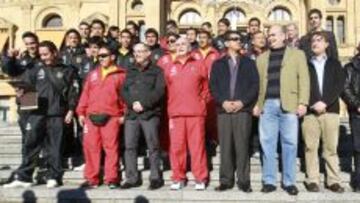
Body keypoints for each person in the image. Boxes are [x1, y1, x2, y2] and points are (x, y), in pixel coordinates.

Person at [3, 41, 79, 189]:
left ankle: (53, 176)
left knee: (55, 147)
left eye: (46, 54)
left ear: (55, 52)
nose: (43, 57)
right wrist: (10, 59)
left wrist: (71, 110)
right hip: (36, 113)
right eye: (41, 54)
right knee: (31, 144)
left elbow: (73, 92)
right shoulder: (34, 68)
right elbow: (13, 72)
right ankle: (25, 176)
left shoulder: (68, 70)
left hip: (57, 113)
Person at [253, 25, 310, 196]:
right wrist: (257, 103)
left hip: (290, 104)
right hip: (267, 105)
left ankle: (289, 181)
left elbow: (304, 80)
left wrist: (303, 102)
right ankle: (269, 181)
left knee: (290, 144)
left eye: (274, 35)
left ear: (284, 36)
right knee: (267, 144)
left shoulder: (298, 54)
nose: (270, 38)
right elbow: (257, 84)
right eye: (269, 35)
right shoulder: (261, 58)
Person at [210, 31, 259, 192]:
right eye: (235, 39)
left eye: (240, 39)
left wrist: (242, 102)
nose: (239, 41)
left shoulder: (249, 63)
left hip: (242, 110)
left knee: (242, 146)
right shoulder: (218, 64)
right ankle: (226, 180)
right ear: (226, 43)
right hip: (223, 111)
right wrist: (223, 102)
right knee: (225, 147)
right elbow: (213, 86)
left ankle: (244, 181)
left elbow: (254, 86)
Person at [76, 44, 126, 189]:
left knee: (111, 149)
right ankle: (92, 179)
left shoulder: (121, 74)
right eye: (99, 56)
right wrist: (80, 112)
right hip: (91, 117)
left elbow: (126, 97)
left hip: (111, 117)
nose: (101, 58)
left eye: (104, 55)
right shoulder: (93, 74)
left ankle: (112, 178)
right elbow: (85, 94)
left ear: (113, 57)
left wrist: (124, 114)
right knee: (91, 148)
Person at [163, 37, 209, 190]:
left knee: (197, 147)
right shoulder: (169, 67)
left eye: (184, 44)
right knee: (177, 147)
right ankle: (178, 177)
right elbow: (167, 89)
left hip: (195, 113)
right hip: (176, 114)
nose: (180, 47)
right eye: (177, 45)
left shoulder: (199, 64)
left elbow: (206, 88)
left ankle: (200, 178)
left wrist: (201, 102)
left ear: (190, 47)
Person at [302, 31, 345, 193]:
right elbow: (303, 86)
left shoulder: (335, 64)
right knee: (310, 147)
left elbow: (338, 85)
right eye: (313, 40)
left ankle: (333, 180)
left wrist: (324, 102)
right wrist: (313, 103)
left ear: (327, 44)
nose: (315, 43)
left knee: (331, 148)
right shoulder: (306, 64)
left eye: (319, 40)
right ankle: (312, 180)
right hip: (310, 112)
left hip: (330, 111)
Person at [121, 43, 165, 190]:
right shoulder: (130, 70)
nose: (138, 54)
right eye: (135, 52)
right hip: (132, 114)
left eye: (141, 51)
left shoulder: (157, 71)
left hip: (149, 114)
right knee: (130, 147)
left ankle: (155, 178)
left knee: (153, 147)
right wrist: (132, 103)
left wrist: (144, 104)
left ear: (148, 53)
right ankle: (131, 178)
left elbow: (159, 91)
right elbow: (123, 90)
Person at [1, 31, 41, 183]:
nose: (31, 46)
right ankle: (27, 166)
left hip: (46, 100)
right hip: (27, 98)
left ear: (37, 42)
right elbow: (8, 70)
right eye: (28, 43)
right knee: (27, 137)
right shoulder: (22, 59)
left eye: (33, 43)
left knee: (41, 137)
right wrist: (9, 58)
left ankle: (37, 167)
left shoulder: (45, 56)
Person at [192, 30, 220, 160]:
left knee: (211, 119)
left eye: (204, 37)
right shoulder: (193, 54)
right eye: (200, 37)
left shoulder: (216, 54)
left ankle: (213, 142)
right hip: (196, 92)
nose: (202, 40)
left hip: (212, 91)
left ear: (209, 39)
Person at [342, 42, 360, 192]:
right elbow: (345, 88)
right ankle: (358, 180)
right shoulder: (349, 68)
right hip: (357, 113)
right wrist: (357, 104)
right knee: (358, 147)